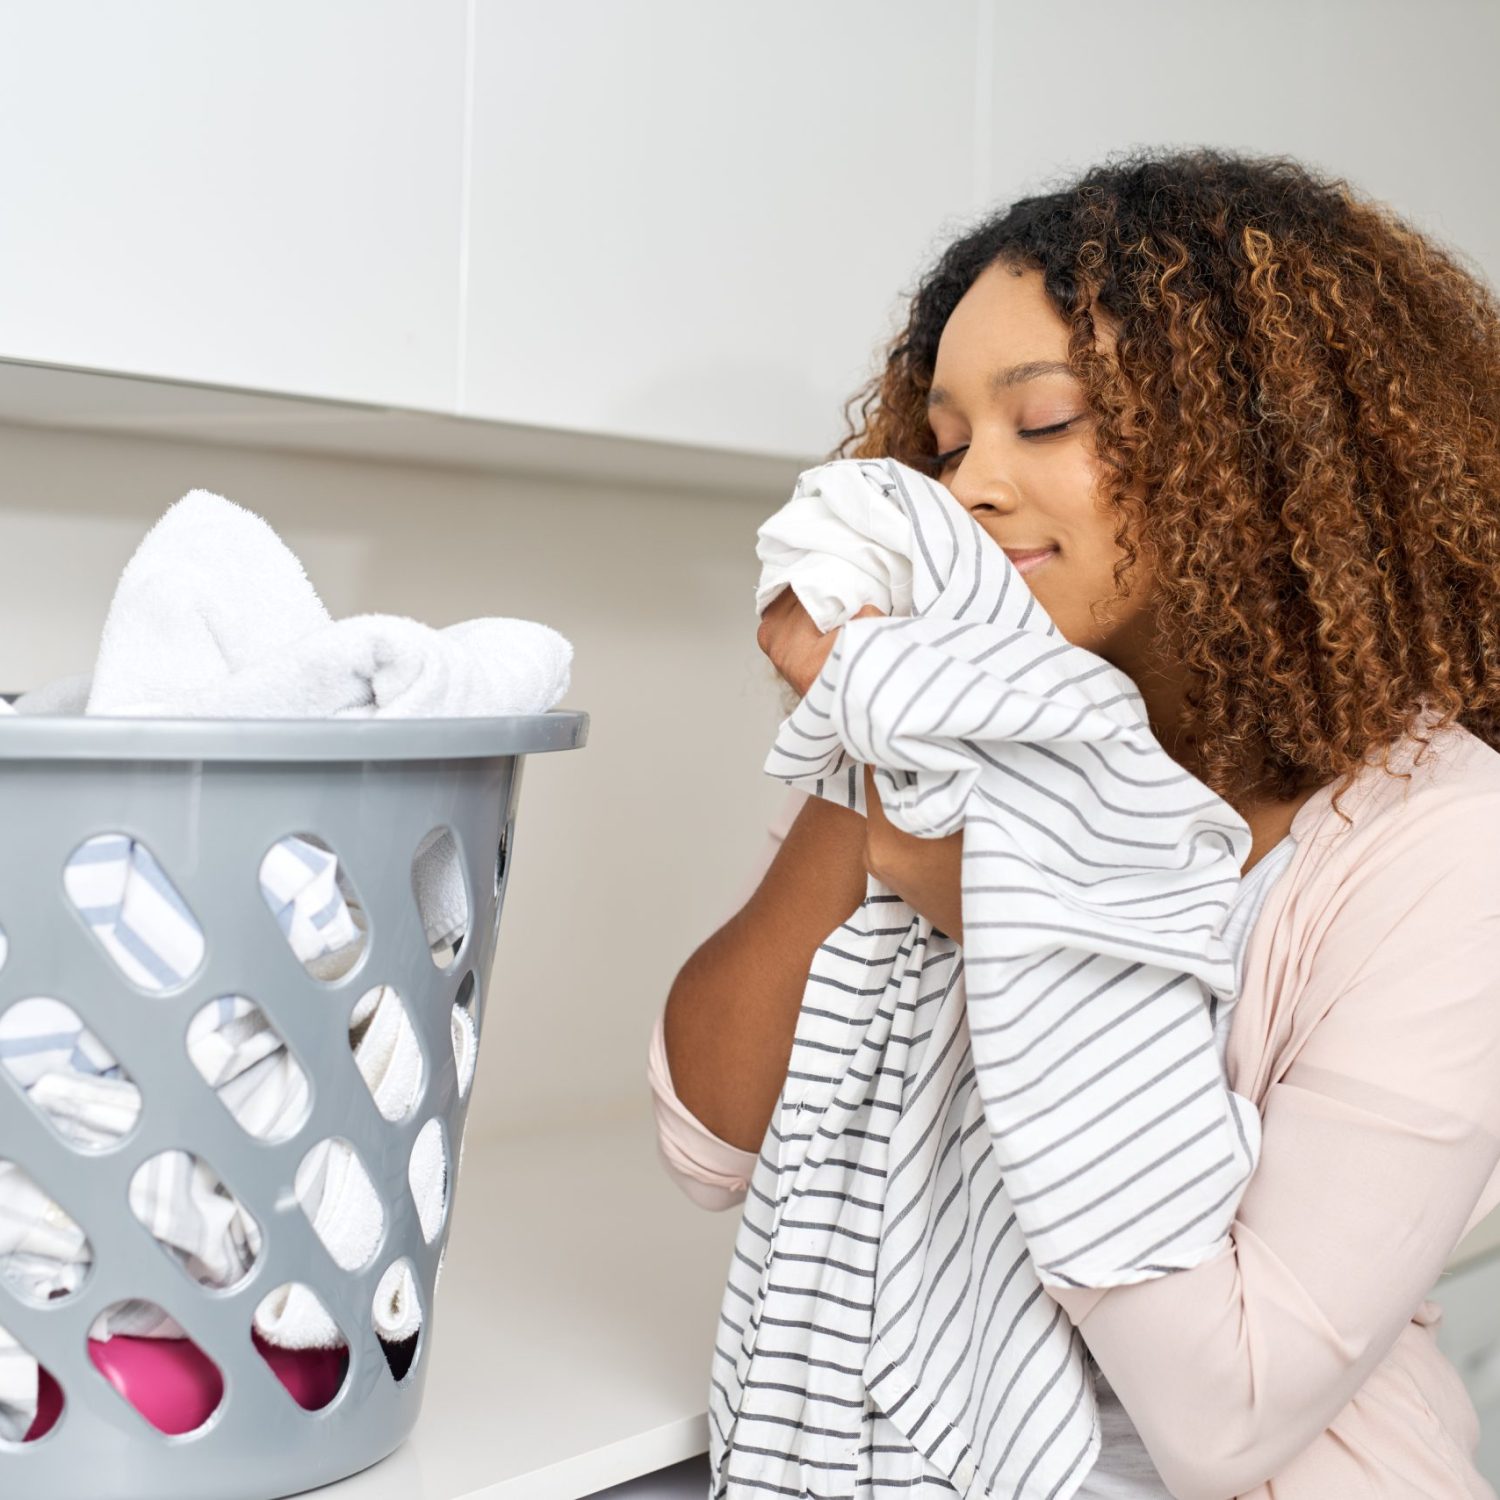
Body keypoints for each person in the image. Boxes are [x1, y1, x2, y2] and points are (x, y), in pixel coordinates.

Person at [649, 145, 1500, 1498]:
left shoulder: (1444, 843)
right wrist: (872, 732)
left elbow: (1231, 1415)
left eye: (1044, 421)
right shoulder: (964, 747)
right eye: (944, 443)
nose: (968, 487)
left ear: (1263, 444)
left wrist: (1011, 923)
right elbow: (711, 1136)